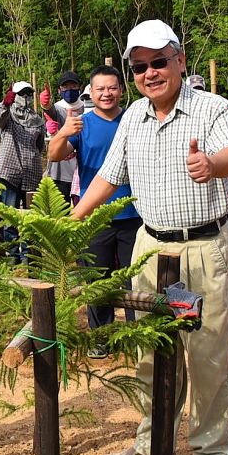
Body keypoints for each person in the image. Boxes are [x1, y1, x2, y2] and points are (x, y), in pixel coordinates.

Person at [73, 19, 228, 455]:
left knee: (207, 352)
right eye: (140, 67)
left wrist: (211, 165)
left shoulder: (210, 108)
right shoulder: (133, 117)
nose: (150, 73)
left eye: (158, 62)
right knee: (151, 352)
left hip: (203, 249)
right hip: (151, 252)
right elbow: (107, 177)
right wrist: (71, 224)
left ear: (180, 60)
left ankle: (211, 449)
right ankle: (155, 445)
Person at [48, 64, 142, 358]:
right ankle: (100, 336)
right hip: (94, 215)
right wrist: (63, 133)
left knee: (134, 277)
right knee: (96, 278)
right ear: (92, 92)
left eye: (112, 88)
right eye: (100, 89)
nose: (107, 94)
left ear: (121, 90)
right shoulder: (82, 124)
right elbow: (54, 154)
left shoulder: (135, 119)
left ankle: (135, 333)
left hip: (134, 213)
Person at [0, 81, 46, 259]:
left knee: (31, 218)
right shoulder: (7, 116)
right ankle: (13, 256)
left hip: (32, 173)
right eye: (21, 94)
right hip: (9, 172)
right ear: (14, 95)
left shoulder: (37, 120)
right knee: (10, 217)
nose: (25, 98)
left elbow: (40, 147)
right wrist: (4, 103)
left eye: (28, 94)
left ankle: (29, 257)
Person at [41, 71, 83, 203]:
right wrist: (45, 105)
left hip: (82, 171)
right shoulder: (58, 108)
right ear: (59, 90)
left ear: (79, 88)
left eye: (73, 86)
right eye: (65, 87)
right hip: (60, 171)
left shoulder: (87, 107)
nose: (69, 90)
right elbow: (50, 111)